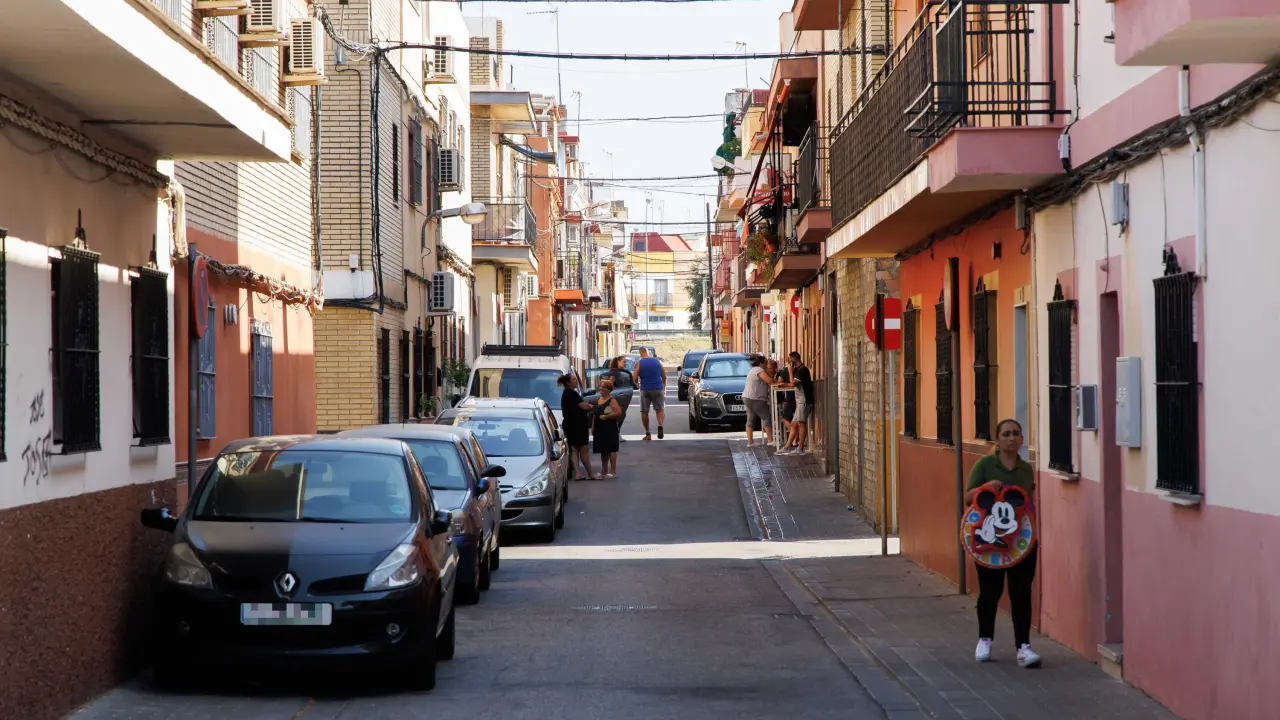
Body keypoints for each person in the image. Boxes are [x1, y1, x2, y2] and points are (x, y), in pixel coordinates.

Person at [966, 418, 1041, 669]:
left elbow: (1029, 503)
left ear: (1021, 439)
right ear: (997, 440)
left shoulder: (1026, 469)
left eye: (1016, 434)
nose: (1011, 438)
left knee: (1021, 593)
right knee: (990, 592)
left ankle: (1023, 647)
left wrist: (1032, 535)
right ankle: (984, 640)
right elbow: (967, 497)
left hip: (1021, 541)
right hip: (989, 541)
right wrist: (986, 487)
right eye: (1006, 434)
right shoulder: (985, 465)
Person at [557, 373, 598, 481]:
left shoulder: (566, 393)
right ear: (568, 382)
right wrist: (591, 406)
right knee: (584, 449)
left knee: (574, 449)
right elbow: (583, 406)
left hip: (569, 425)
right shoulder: (572, 393)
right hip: (578, 425)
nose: (576, 381)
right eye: (574, 379)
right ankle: (591, 474)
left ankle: (578, 474)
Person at [776, 352, 814, 455]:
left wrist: (790, 372)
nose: (788, 363)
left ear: (793, 361)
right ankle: (787, 447)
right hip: (800, 401)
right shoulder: (799, 370)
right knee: (793, 424)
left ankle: (800, 448)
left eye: (790, 361)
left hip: (804, 401)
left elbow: (793, 383)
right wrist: (784, 384)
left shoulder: (802, 370)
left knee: (801, 423)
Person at [742, 355, 775, 447]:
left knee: (750, 419)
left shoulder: (753, 370)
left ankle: (750, 442)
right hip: (756, 398)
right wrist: (775, 379)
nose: (767, 365)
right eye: (766, 363)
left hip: (747, 397)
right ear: (761, 363)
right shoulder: (758, 370)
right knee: (766, 417)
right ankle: (770, 440)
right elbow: (769, 380)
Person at [592, 378, 623, 479]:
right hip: (599, 428)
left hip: (610, 427)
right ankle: (604, 471)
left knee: (611, 449)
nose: (601, 388)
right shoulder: (598, 399)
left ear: (609, 390)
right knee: (603, 449)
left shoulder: (612, 400)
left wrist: (607, 416)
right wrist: (593, 427)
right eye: (600, 386)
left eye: (604, 387)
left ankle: (613, 471)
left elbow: (618, 412)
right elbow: (595, 415)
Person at [635, 347, 666, 440]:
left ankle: (648, 434)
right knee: (659, 409)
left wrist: (638, 385)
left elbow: (634, 377)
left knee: (644, 411)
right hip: (658, 388)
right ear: (648, 352)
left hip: (645, 389)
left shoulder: (639, 363)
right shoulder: (657, 361)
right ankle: (660, 425)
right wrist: (664, 389)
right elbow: (664, 376)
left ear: (640, 354)